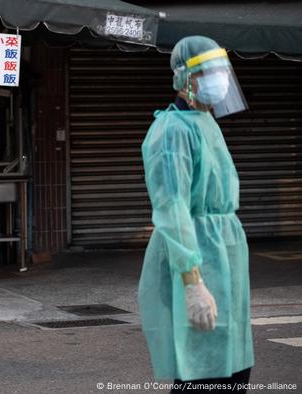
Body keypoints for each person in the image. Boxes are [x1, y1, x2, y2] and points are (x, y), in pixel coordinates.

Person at [138, 36, 254, 393]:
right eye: (208, 72)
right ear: (185, 78)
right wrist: (193, 284)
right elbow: (172, 210)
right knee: (204, 373)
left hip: (225, 255)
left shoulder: (205, 122)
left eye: (222, 71)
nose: (219, 80)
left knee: (233, 368)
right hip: (197, 259)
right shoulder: (172, 132)